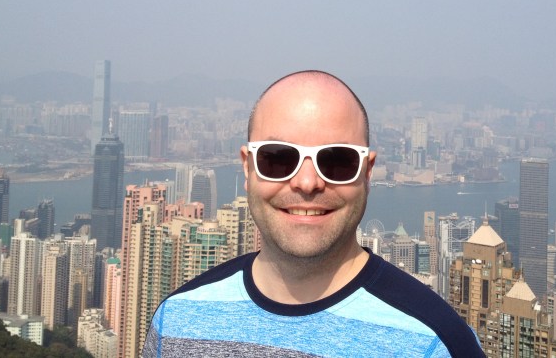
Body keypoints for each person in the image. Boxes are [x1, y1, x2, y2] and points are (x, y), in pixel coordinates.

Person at [143, 70, 484, 357]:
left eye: (337, 160)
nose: (307, 182)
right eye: (278, 158)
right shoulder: (177, 320)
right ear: (248, 169)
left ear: (367, 173)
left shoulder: (436, 343)